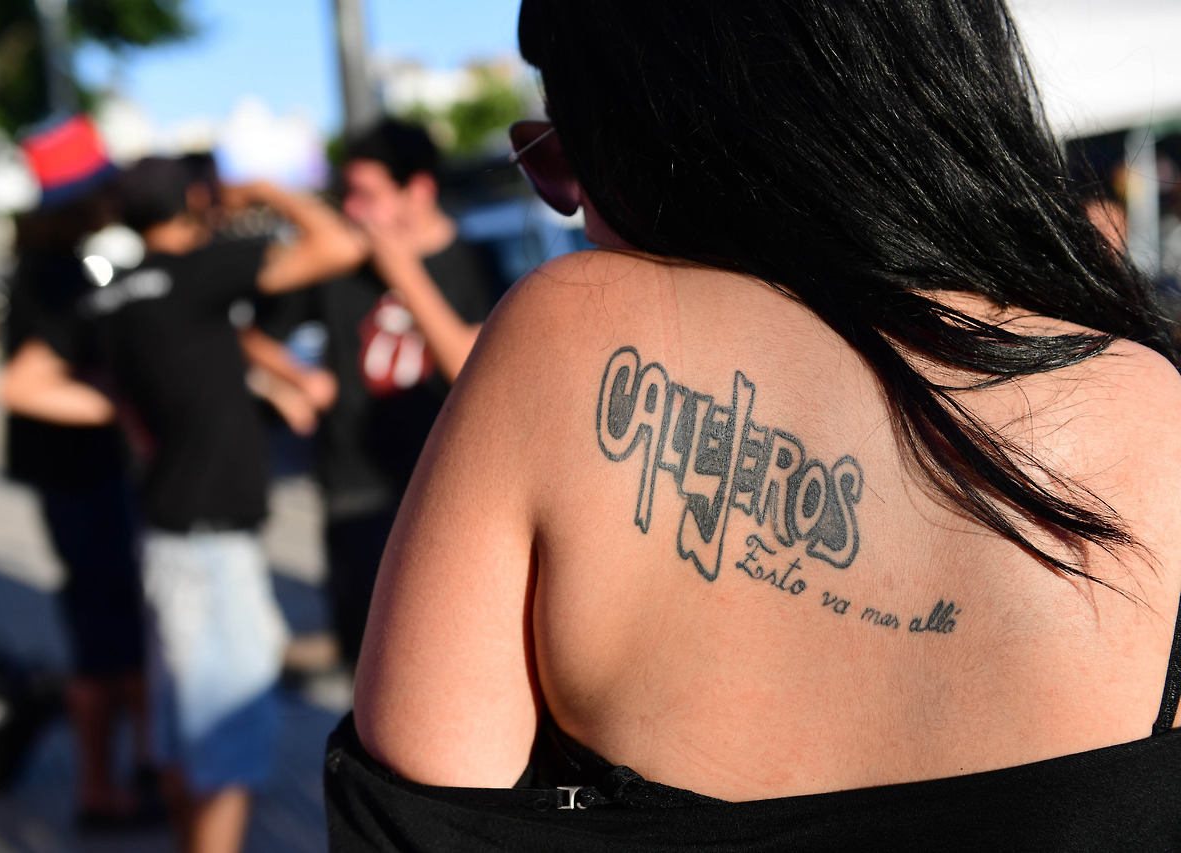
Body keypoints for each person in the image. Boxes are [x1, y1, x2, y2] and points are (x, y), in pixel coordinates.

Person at [325, 0, 1181, 848]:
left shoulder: (574, 333)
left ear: (653, 131)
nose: (571, 206)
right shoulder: (1157, 407)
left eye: (560, 153)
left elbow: (412, 815)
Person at [80, 157, 365, 853]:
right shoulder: (200, 274)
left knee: (183, 742)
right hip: (212, 545)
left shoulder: (114, 298)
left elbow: (179, 372)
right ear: (194, 203)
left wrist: (278, 382)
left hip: (165, 528)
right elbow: (340, 245)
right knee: (228, 746)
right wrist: (267, 191)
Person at [260, 118, 495, 669]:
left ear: (419, 190)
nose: (354, 211)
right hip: (354, 488)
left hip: (446, 490)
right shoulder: (341, 266)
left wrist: (403, 272)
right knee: (369, 664)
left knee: (447, 661)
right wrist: (293, 380)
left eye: (368, 195)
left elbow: (468, 363)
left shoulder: (473, 261)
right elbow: (252, 329)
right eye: (348, 195)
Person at [0, 116, 155, 830]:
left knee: (111, 630)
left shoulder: (54, 266)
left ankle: (126, 773)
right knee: (102, 637)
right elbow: (23, 384)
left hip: (77, 474)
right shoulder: (54, 276)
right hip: (77, 476)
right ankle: (99, 789)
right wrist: (119, 408)